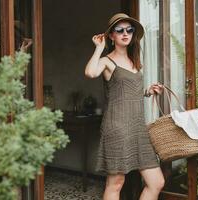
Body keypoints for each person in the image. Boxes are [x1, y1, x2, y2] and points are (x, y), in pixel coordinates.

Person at [84, 13, 165, 200]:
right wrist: (99, 48)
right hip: (117, 128)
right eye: (119, 30)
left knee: (156, 182)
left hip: (138, 128)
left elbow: (126, 90)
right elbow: (89, 72)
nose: (125, 33)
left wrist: (147, 91)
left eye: (129, 29)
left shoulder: (134, 61)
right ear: (111, 36)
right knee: (116, 182)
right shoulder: (106, 61)